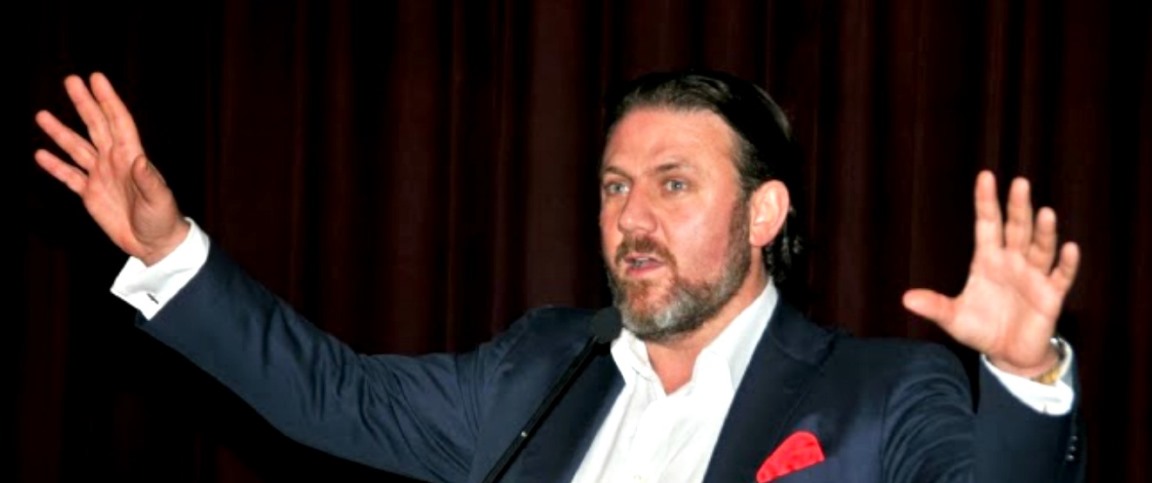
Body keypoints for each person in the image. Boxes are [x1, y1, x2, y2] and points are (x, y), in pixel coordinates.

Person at [33, 68, 1084, 483]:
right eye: (616, 186)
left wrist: (1025, 380)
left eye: (674, 184)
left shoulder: (880, 393)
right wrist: (168, 251)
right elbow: (332, 394)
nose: (633, 217)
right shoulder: (539, 369)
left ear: (765, 214)